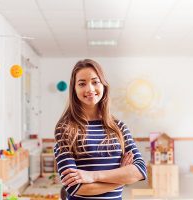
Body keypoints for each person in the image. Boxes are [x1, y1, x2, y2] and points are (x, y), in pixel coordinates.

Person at [54, 59, 147, 200]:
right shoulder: (65, 129)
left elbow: (140, 171)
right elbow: (74, 187)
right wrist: (121, 176)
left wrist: (92, 176)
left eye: (95, 82)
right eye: (82, 84)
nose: (90, 89)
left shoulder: (119, 127)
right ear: (74, 89)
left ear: (103, 85)